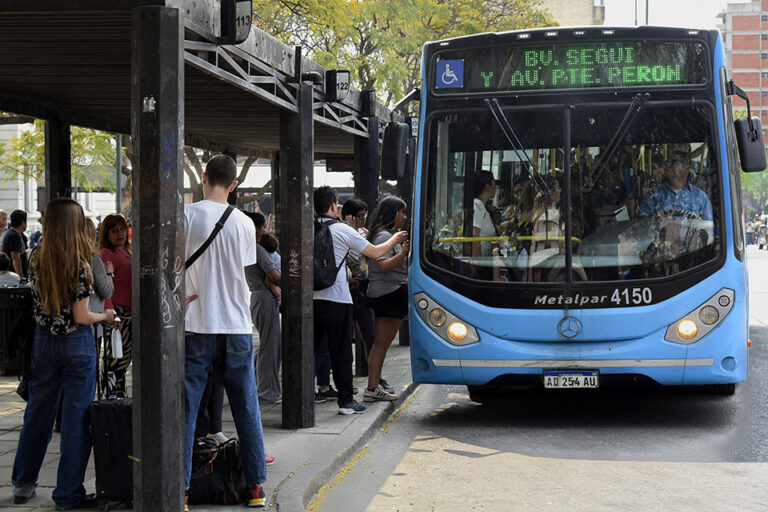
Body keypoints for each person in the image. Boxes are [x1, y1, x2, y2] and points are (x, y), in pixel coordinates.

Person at [11, 198, 115, 509]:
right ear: (76, 225)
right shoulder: (81, 265)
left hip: (43, 343)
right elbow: (82, 316)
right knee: (76, 419)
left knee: (37, 415)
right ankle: (68, 494)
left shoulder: (36, 257)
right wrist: (107, 317)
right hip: (77, 343)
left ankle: (23, 484)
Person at [183, 154, 269, 509]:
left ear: (203, 177)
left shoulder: (186, 216)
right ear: (234, 185)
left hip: (196, 323)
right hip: (236, 326)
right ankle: (255, 489)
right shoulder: (245, 224)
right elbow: (243, 269)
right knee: (246, 407)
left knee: (187, 408)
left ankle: (182, 491)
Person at [313, 186, 408, 415]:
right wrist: (395, 239)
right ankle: (346, 402)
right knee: (341, 351)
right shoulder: (342, 230)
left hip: (311, 299)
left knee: (311, 351)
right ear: (334, 206)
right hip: (337, 298)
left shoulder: (306, 228)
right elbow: (375, 253)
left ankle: (305, 397)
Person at [364, 196, 410, 402]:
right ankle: (373, 386)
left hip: (390, 292)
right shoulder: (384, 237)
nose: (405, 217)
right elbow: (383, 266)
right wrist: (404, 253)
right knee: (382, 343)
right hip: (389, 292)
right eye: (402, 212)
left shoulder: (388, 236)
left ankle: (374, 385)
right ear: (394, 213)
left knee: (381, 343)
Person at [244, 212, 282, 404]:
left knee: (267, 345)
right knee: (270, 346)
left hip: (258, 296)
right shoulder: (258, 249)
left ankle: (258, 385)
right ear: (258, 229)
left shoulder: (246, 247)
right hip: (264, 297)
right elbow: (275, 276)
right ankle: (268, 390)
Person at [98, 213, 133, 396]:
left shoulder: (127, 251)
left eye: (122, 229)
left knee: (124, 357)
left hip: (129, 313)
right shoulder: (106, 253)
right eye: (114, 230)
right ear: (106, 233)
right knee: (115, 357)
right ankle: (112, 395)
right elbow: (104, 287)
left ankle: (117, 394)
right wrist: (112, 313)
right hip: (118, 313)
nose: (119, 234)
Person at [341, 198, 375, 359]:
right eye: (360, 216)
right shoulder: (341, 232)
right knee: (344, 337)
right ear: (350, 217)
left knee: (370, 335)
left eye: (365, 215)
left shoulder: (366, 233)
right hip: (346, 288)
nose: (363, 219)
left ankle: (375, 374)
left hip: (363, 287)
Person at [638, 150, 713, 220]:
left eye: (673, 162)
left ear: (686, 167)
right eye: (667, 162)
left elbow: (707, 226)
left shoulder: (700, 197)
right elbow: (643, 224)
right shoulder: (654, 195)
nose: (668, 165)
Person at [472, 170, 498, 257]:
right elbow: (475, 237)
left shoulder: (482, 206)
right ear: (487, 187)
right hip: (481, 262)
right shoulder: (477, 205)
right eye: (494, 185)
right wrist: (477, 266)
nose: (495, 188)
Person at [3, 209, 28, 282]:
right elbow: (15, 258)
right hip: (15, 279)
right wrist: (21, 278)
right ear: (23, 222)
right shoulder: (14, 236)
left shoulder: (12, 234)